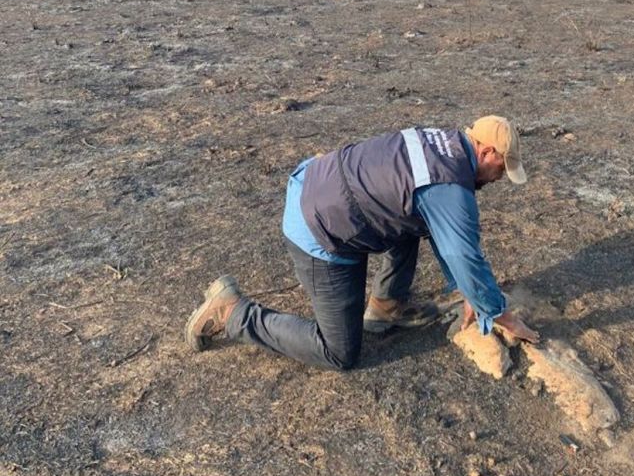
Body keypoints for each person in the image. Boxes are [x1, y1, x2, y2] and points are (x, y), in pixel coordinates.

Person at [185, 115, 540, 370]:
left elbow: (442, 229)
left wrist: (469, 292)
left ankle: (386, 308)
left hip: (318, 180)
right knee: (338, 352)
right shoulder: (450, 189)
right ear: (487, 152)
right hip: (318, 226)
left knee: (413, 215)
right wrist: (499, 313)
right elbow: (463, 254)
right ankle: (233, 313)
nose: (499, 178)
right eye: (502, 168)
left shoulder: (439, 142)